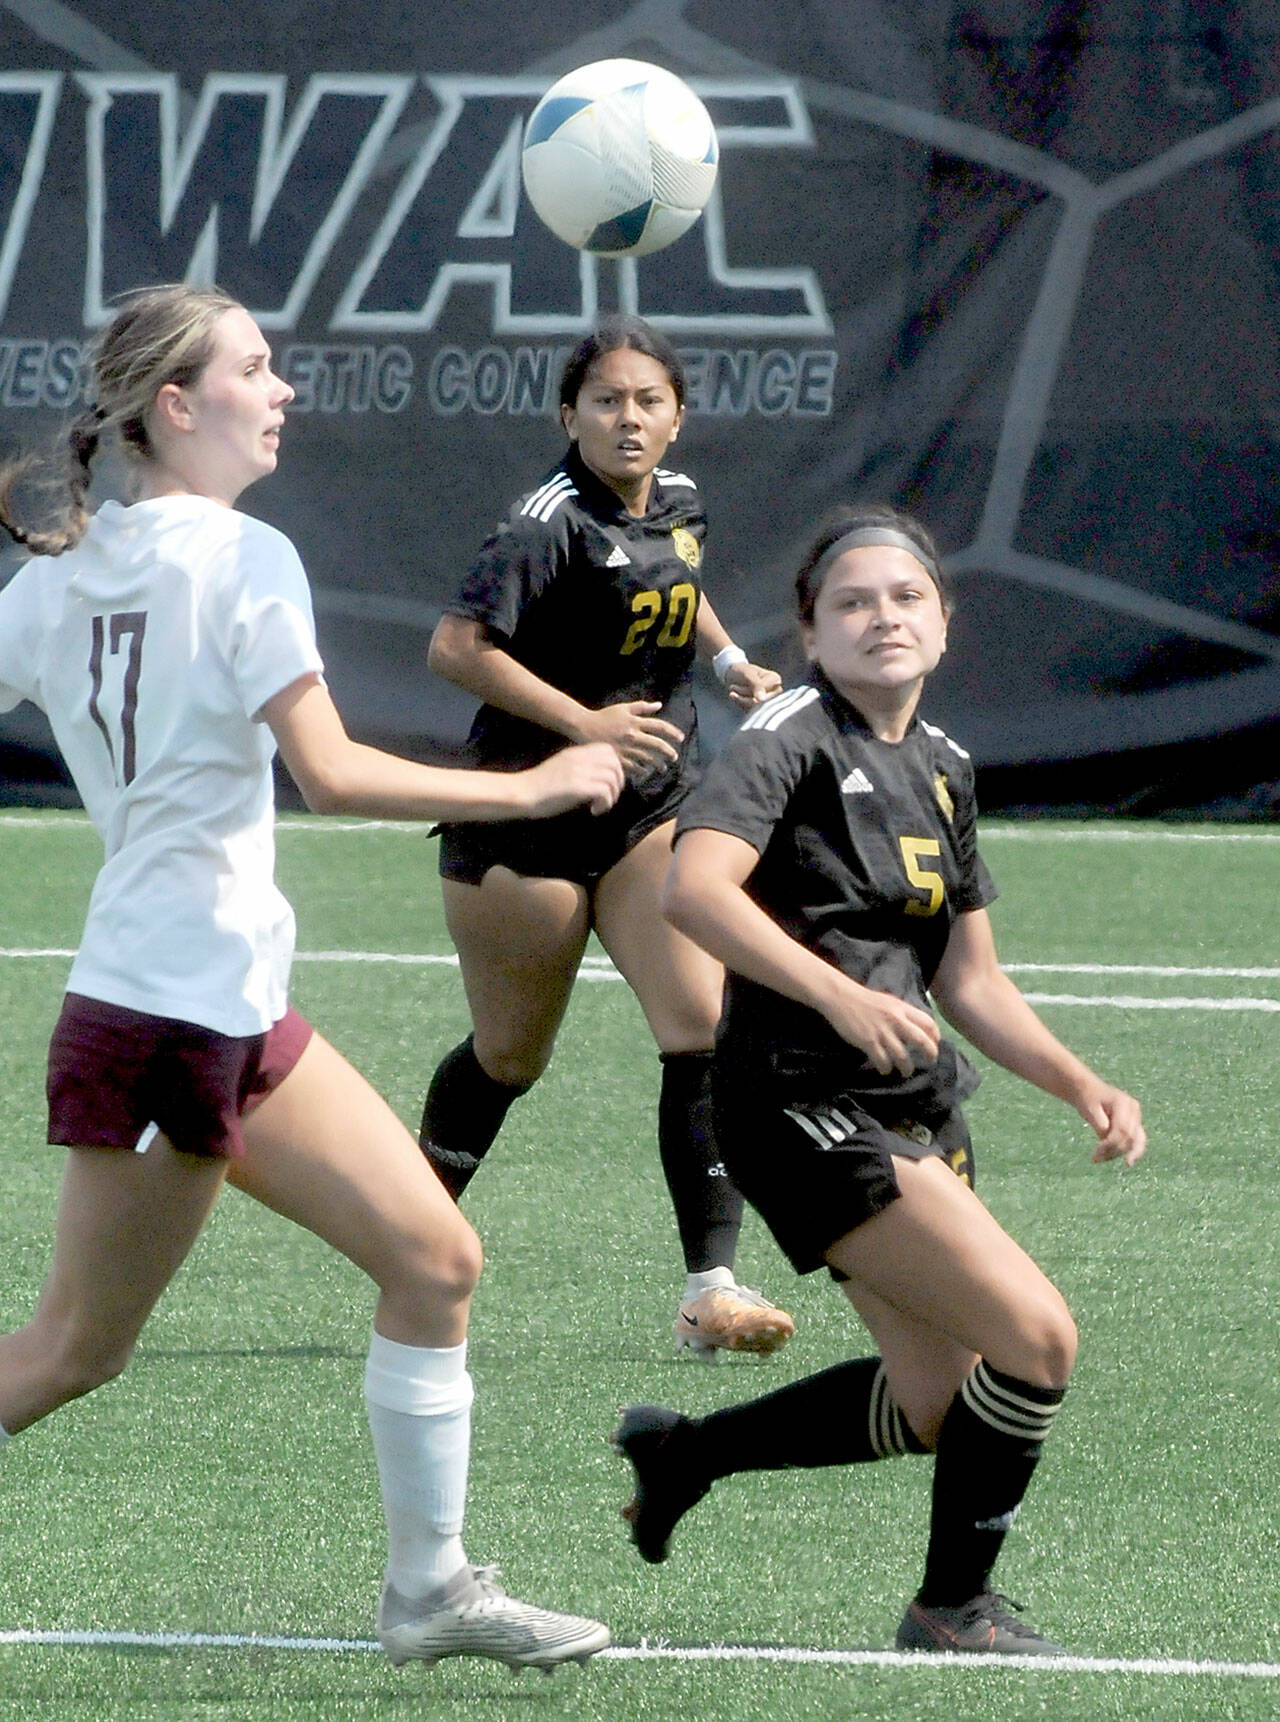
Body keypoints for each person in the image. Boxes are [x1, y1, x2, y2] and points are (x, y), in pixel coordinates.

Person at [0, 283, 621, 1674]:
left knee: (434, 1256)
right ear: (176, 405)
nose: (281, 390)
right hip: (163, 1015)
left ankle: (431, 1589)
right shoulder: (241, 558)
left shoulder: (54, 578)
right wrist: (539, 784)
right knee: (68, 1352)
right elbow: (332, 774)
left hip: (227, 1006)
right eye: (255, 368)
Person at [612, 503, 1146, 1655]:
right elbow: (692, 891)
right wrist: (838, 993)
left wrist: (1078, 1081)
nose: (881, 617)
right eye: (851, 601)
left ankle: (685, 1453)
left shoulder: (943, 766)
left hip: (912, 1103)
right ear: (810, 628)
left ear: (944, 624)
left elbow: (971, 979)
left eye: (905, 597)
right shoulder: (788, 734)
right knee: (1037, 1339)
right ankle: (948, 1608)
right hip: (795, 1097)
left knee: (934, 1406)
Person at [420, 313, 795, 1360]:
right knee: (509, 1056)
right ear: (567, 414)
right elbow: (455, 647)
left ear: (677, 417)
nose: (627, 419)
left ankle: (708, 1290)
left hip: (649, 805)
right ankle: (407, 1234)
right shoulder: (544, 522)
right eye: (604, 401)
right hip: (526, 811)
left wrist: (720, 661)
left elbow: (674, 579)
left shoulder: (676, 501)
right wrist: (583, 725)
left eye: (646, 401)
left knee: (701, 1029)